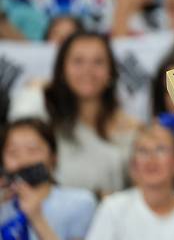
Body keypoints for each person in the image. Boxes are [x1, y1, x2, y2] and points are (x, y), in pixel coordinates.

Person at [8, 31, 140, 196]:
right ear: (62, 70)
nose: (88, 70)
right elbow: (16, 136)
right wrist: (37, 88)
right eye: (78, 61)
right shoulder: (42, 113)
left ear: (111, 72)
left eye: (98, 62)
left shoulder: (129, 129)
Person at [86, 124, 174, 240]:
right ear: (133, 165)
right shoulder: (112, 209)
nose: (151, 160)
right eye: (143, 151)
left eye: (160, 149)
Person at [0, 118, 97, 240]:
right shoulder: (3, 206)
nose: (23, 160)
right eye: (13, 152)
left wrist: (37, 218)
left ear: (53, 157)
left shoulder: (80, 202)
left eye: (32, 150)